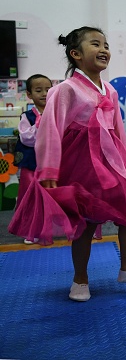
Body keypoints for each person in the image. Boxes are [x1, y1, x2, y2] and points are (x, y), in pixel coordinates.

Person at [8, 26, 126, 302]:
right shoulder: (65, 90)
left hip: (110, 162)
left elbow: (117, 131)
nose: (104, 49)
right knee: (86, 224)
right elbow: (51, 130)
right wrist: (48, 169)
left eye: (106, 45)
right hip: (81, 163)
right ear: (76, 54)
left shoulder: (111, 90)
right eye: (96, 44)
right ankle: (80, 279)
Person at [13, 74, 51, 244]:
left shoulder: (56, 113)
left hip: (52, 163)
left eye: (48, 89)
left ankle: (57, 227)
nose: (44, 93)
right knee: (31, 197)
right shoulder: (27, 116)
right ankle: (32, 230)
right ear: (29, 94)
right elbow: (26, 138)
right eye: (38, 90)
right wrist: (40, 126)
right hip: (32, 163)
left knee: (53, 195)